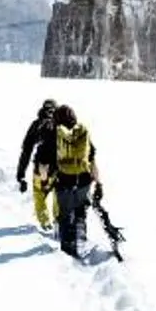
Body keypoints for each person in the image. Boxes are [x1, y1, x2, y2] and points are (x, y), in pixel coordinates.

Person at [48, 102, 100, 257]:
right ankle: (81, 240)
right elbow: (92, 157)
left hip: (64, 180)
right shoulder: (82, 133)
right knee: (80, 210)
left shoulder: (55, 134)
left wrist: (46, 179)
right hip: (84, 180)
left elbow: (46, 160)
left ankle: (68, 252)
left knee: (64, 215)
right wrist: (98, 181)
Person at [13, 98, 59, 233]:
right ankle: (59, 222)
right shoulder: (63, 124)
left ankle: (45, 223)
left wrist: (20, 174)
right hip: (60, 167)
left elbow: (26, 150)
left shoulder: (36, 125)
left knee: (40, 193)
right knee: (58, 193)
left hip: (42, 166)